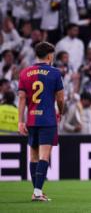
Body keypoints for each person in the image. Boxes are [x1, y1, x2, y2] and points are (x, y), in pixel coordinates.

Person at [17, 42, 64, 202]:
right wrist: (61, 111)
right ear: (50, 55)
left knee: (33, 156)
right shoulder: (55, 73)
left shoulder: (24, 72)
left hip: (31, 119)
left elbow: (22, 98)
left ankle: (36, 191)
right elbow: (60, 98)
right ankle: (38, 192)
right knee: (44, 156)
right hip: (47, 119)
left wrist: (20, 121)